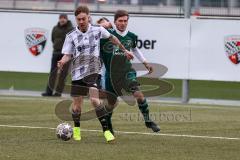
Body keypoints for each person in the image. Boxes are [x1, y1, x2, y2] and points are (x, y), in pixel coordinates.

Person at [57, 6, 134, 142]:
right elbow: (67, 54)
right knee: (76, 107)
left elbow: (113, 38)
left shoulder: (98, 30)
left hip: (93, 71)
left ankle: (107, 132)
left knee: (94, 100)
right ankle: (76, 129)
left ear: (89, 17)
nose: (81, 21)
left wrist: (125, 50)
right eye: (79, 19)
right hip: (77, 73)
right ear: (76, 19)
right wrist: (62, 61)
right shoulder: (71, 36)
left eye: (83, 18)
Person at [98, 11, 160, 135]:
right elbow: (90, 31)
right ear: (114, 22)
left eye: (125, 21)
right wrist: (103, 25)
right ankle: (108, 126)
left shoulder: (131, 36)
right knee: (111, 104)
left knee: (139, 95)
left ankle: (148, 121)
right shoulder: (106, 35)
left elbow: (135, 50)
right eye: (120, 21)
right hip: (111, 75)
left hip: (127, 72)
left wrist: (145, 63)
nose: (123, 23)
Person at [42, 14, 73, 97]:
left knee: (63, 75)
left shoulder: (71, 29)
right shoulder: (55, 28)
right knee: (52, 73)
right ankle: (49, 92)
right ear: (59, 19)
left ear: (67, 19)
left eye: (64, 18)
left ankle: (58, 93)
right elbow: (53, 39)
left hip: (66, 54)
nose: (62, 20)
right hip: (56, 53)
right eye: (61, 18)